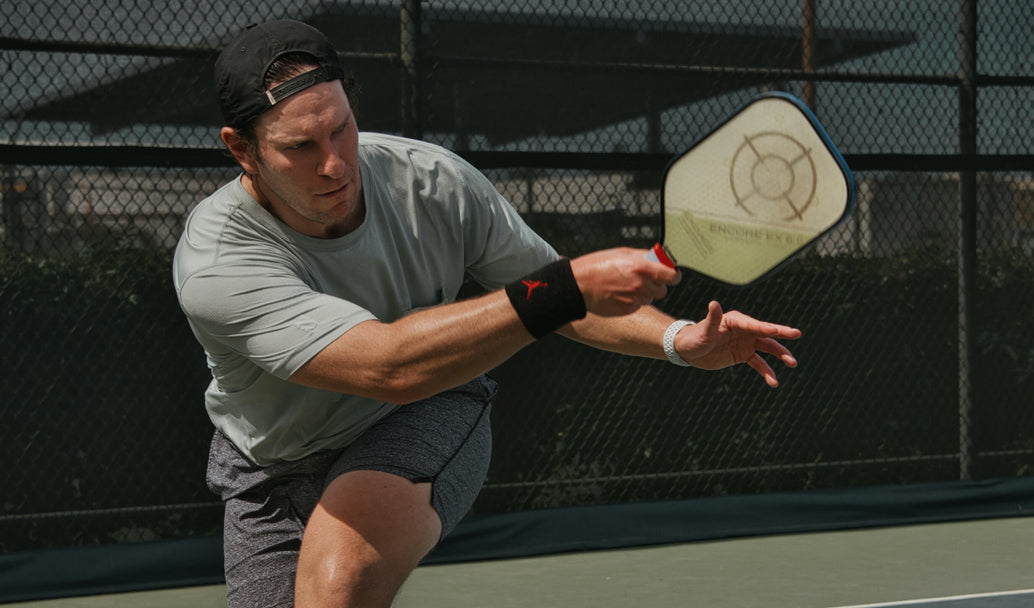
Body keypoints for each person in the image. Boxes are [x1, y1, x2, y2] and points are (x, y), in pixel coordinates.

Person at [172, 19, 802, 608]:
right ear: (242, 149)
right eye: (300, 146)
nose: (334, 162)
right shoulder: (218, 262)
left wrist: (677, 337)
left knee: (337, 588)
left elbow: (551, 298)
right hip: (270, 465)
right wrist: (565, 289)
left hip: (421, 414)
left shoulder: (433, 183)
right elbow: (387, 362)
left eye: (341, 128)